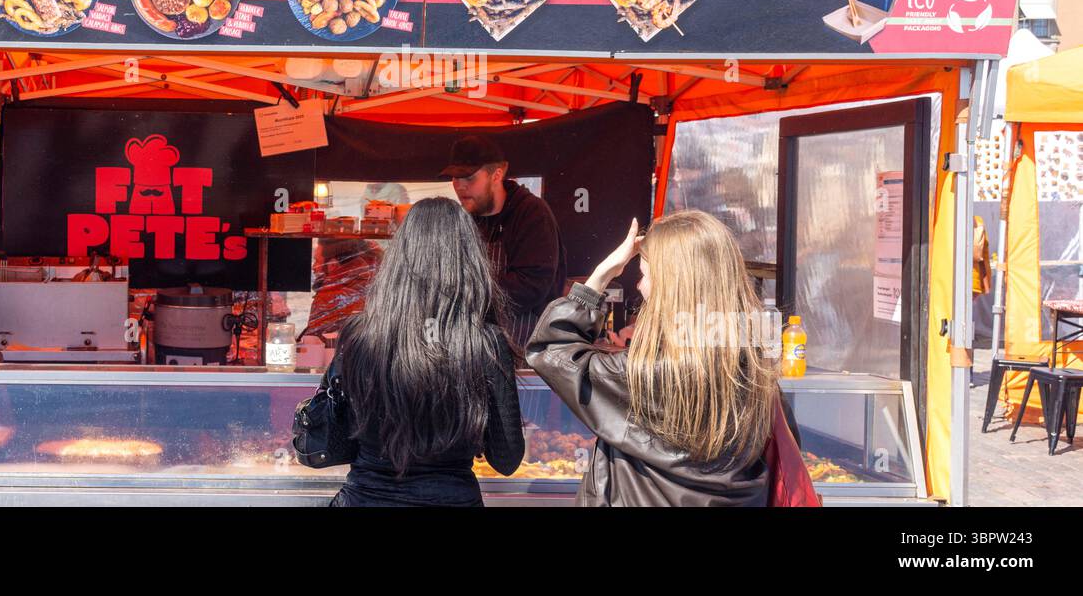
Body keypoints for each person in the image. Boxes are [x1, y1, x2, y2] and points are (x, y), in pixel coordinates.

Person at [526, 210, 779, 506]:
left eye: (644, 275)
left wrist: (602, 275)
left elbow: (550, 350)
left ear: (672, 286)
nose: (639, 286)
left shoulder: (639, 378)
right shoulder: (758, 376)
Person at [329, 197, 524, 506]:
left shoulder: (359, 335)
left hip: (366, 498)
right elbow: (507, 459)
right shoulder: (484, 342)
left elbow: (337, 436)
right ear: (469, 262)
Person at [441, 135, 563, 350]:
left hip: (525, 345)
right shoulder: (466, 218)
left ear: (497, 174)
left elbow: (531, 285)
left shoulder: (531, 214)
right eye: (454, 178)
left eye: (468, 178)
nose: (459, 186)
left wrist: (468, 295)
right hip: (478, 343)